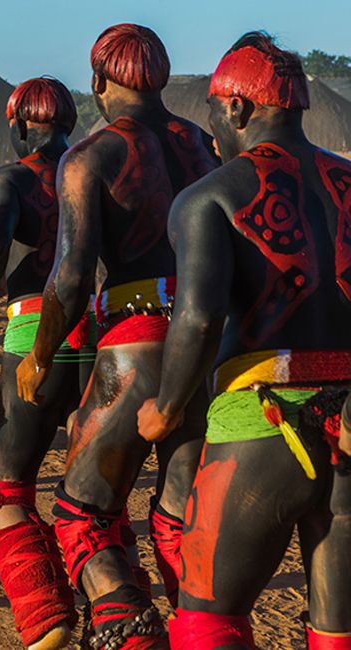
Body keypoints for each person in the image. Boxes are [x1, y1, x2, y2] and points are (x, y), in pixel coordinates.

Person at [137, 32, 351, 649]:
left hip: (262, 424)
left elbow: (199, 318)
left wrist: (167, 408)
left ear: (236, 108)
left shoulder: (210, 197)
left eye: (212, 113)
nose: (210, 131)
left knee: (208, 617)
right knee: (338, 626)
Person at [14, 24, 218, 646]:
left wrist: (39, 355)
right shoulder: (205, 146)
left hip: (137, 338)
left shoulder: (93, 155)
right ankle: (204, 632)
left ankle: (134, 637)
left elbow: (70, 277)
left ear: (99, 82)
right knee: (180, 519)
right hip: (209, 346)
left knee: (83, 515)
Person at [0, 77, 84, 648]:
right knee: (94, 494)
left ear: (17, 125)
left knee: (10, 484)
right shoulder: (97, 167)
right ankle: (114, 611)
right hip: (104, 325)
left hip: (36, 320)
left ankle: (44, 619)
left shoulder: (10, 178)